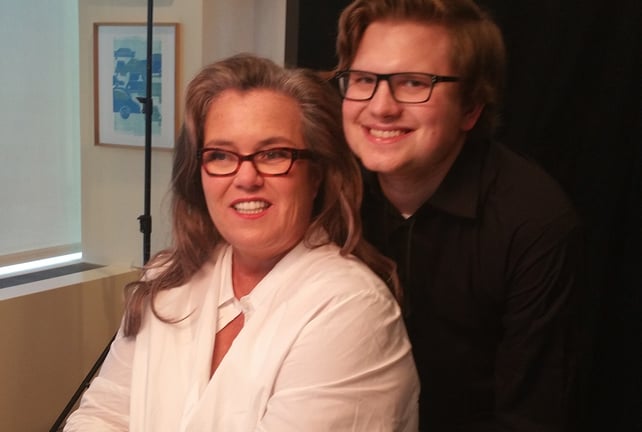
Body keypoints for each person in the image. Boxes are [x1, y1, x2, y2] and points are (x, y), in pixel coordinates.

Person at [64, 53, 419, 431]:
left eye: (273, 154)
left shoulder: (351, 308)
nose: (245, 177)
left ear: (316, 175)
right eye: (220, 155)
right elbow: (104, 414)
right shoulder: (168, 278)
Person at [335, 0, 588, 430]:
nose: (380, 107)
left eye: (414, 83)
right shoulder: (325, 188)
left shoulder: (533, 221)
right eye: (363, 80)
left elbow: (529, 415)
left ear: (471, 108)